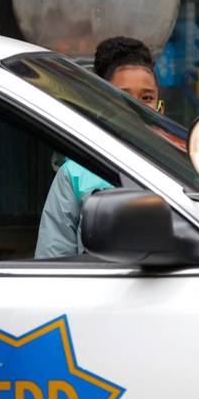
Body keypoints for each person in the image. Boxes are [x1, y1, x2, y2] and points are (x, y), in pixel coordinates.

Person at [35, 37, 160, 258]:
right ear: (102, 103)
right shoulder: (74, 173)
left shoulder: (180, 171)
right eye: (122, 96)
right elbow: (53, 261)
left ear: (160, 108)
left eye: (147, 97)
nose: (135, 107)